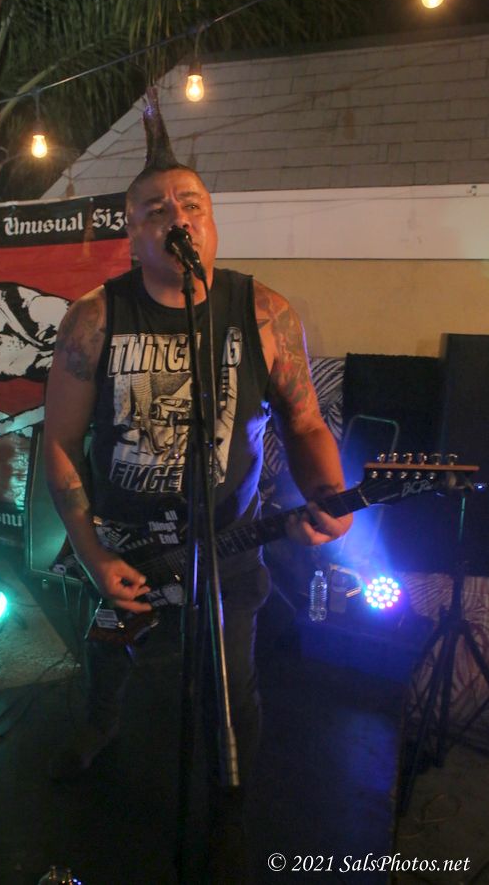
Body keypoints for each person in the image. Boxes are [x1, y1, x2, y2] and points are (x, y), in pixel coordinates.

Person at [43, 92, 352, 880]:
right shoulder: (94, 320)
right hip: (125, 542)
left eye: (191, 205)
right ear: (131, 232)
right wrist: (91, 553)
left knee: (231, 688)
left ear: (211, 223)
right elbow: (60, 445)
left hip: (228, 543)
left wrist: (328, 492)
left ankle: (228, 810)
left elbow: (305, 422)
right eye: (155, 209)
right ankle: (99, 726)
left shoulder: (263, 312)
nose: (175, 217)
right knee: (108, 652)